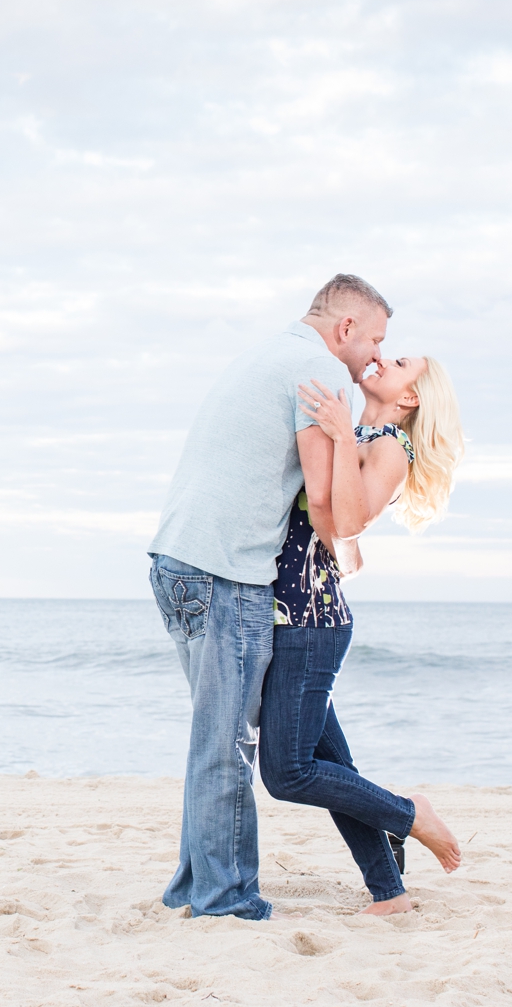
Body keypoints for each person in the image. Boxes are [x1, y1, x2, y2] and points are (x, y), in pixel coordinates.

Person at [147, 274, 392, 920]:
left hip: (176, 560)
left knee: (213, 741)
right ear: (346, 328)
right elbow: (327, 505)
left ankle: (192, 886)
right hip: (225, 571)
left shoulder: (265, 353)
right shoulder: (321, 374)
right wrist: (348, 439)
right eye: (375, 340)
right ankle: (225, 899)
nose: (374, 356)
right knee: (226, 746)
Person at [258, 353, 465, 913]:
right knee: (335, 771)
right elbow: (342, 542)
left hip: (312, 623)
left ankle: (408, 813)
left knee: (289, 774)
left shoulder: (390, 447)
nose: (382, 358)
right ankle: (388, 892)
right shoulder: (358, 431)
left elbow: (350, 521)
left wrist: (342, 439)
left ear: (411, 397)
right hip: (296, 614)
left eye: (399, 361)